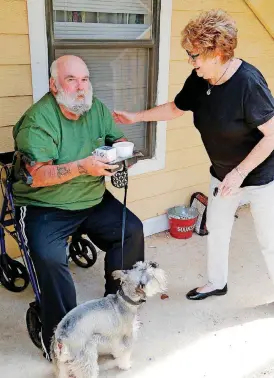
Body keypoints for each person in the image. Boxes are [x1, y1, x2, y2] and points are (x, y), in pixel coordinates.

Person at [113, 10, 274, 301]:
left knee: (269, 241)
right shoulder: (200, 79)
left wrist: (240, 174)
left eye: (194, 55)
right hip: (222, 173)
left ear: (216, 53)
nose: (191, 61)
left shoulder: (248, 83)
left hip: (262, 175)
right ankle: (216, 282)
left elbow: (272, 135)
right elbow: (176, 108)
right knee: (217, 229)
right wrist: (135, 117)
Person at [12, 55, 144, 359]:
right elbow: (37, 175)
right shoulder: (38, 121)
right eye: (71, 80)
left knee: (131, 230)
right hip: (45, 205)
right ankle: (66, 337)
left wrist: (122, 158)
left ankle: (117, 313)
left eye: (85, 79)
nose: (80, 87)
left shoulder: (95, 108)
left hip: (91, 198)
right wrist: (83, 167)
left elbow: (120, 140)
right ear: (54, 85)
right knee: (49, 256)